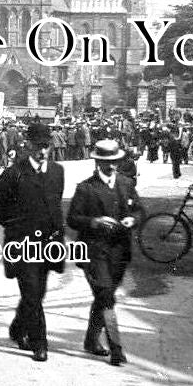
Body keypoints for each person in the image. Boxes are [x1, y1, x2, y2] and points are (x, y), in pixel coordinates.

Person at [0, 122, 64, 363]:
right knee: (31, 292)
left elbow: (55, 207)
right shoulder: (13, 173)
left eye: (46, 146)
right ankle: (39, 342)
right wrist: (17, 228)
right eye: (38, 146)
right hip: (22, 244)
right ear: (28, 145)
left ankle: (18, 327)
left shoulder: (57, 171)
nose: (42, 151)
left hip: (49, 244)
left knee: (37, 293)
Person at [67, 140, 141, 365]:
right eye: (105, 162)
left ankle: (91, 340)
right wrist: (95, 222)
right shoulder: (86, 187)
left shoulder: (126, 183)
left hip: (119, 250)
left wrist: (133, 219)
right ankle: (116, 350)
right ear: (97, 161)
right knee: (106, 295)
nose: (110, 166)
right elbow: (72, 218)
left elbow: (138, 209)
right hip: (93, 251)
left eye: (114, 162)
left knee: (104, 296)